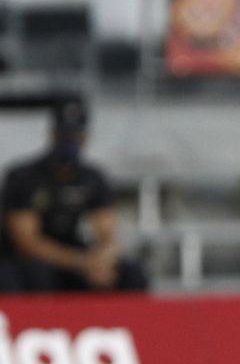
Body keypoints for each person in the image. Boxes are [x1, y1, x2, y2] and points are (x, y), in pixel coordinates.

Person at [0, 100, 147, 294]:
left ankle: (125, 314)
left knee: (132, 273)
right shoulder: (24, 177)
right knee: (37, 274)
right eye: (64, 134)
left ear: (85, 138)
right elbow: (28, 243)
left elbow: (107, 234)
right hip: (28, 259)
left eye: (75, 135)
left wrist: (102, 261)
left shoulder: (92, 177)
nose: (69, 141)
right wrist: (81, 262)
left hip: (72, 250)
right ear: (53, 134)